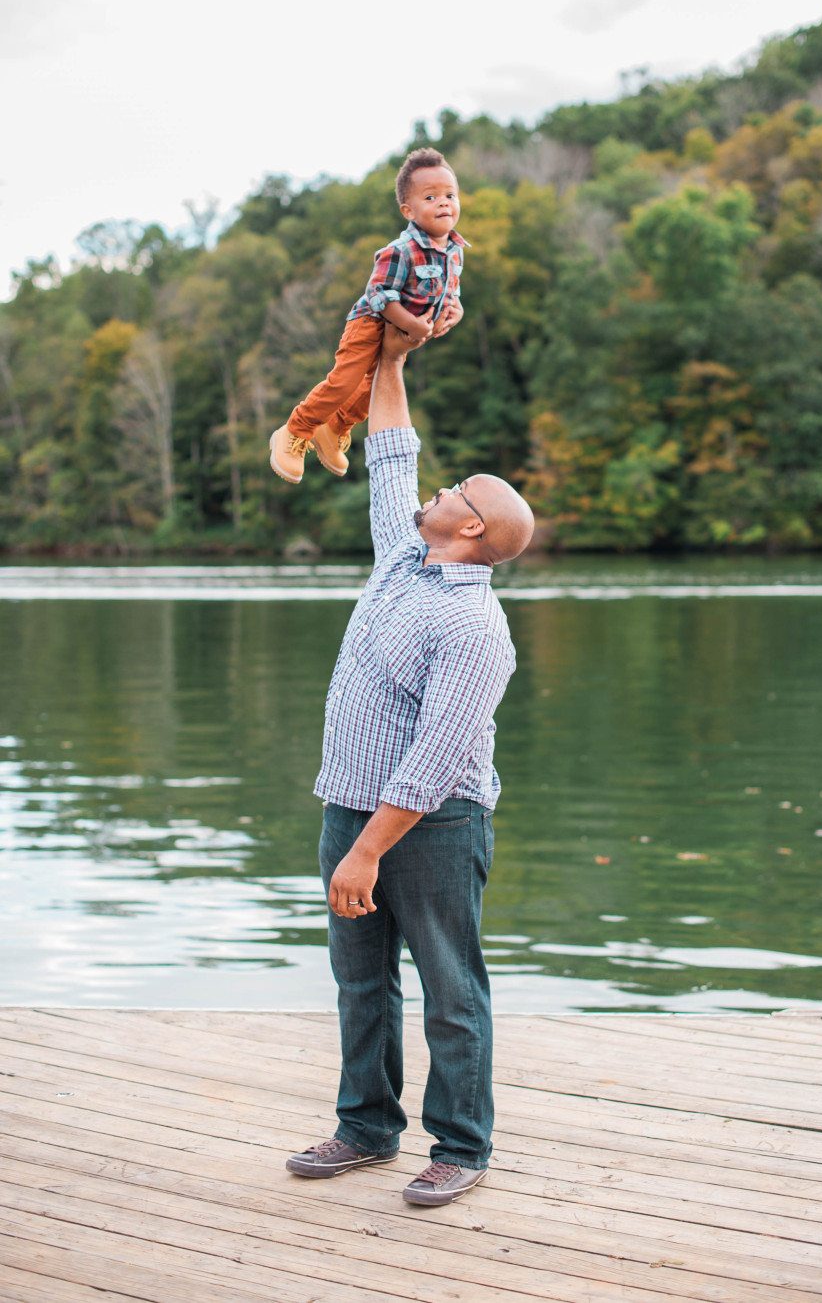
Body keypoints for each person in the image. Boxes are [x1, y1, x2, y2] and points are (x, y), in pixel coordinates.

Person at [286, 322, 535, 1207]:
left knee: (450, 989)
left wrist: (366, 853)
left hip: (433, 827)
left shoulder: (476, 628)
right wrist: (390, 357)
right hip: (349, 808)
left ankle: (462, 1146)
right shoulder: (403, 556)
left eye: (456, 489)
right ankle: (365, 1128)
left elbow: (432, 765)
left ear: (470, 526)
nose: (439, 485)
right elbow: (393, 456)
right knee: (360, 982)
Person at [269, 147, 467, 483]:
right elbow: (379, 294)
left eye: (450, 195)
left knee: (371, 390)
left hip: (404, 332)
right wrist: (411, 323)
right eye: (430, 197)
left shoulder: (455, 252)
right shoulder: (400, 250)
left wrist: (454, 312)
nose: (444, 203)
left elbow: (450, 292)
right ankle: (296, 430)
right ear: (408, 210)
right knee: (345, 381)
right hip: (371, 322)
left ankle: (334, 429)